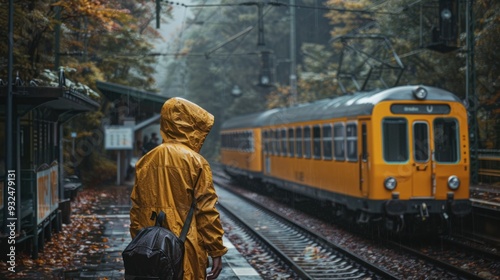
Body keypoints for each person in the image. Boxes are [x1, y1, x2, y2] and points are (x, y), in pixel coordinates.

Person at [130, 97, 228, 280]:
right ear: (191, 126)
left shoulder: (145, 161)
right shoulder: (196, 163)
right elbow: (206, 211)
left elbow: (136, 209)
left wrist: (139, 242)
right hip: (185, 247)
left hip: (150, 249)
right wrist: (216, 250)